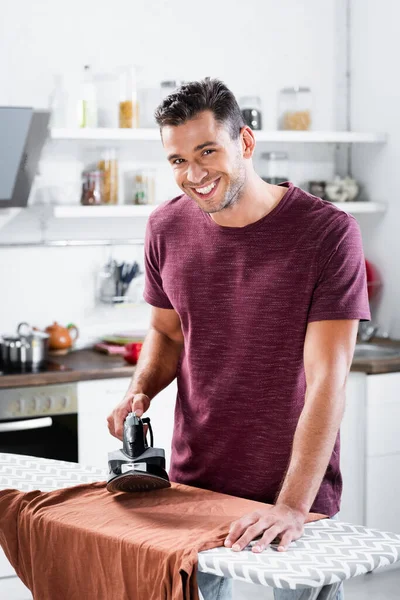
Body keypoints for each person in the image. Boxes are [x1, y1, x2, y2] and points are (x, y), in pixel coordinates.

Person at [107, 78, 370, 600]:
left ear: (245, 143)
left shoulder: (327, 234)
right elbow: (166, 330)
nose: (194, 174)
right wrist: (142, 389)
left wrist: (293, 506)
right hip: (193, 482)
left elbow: (326, 385)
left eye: (208, 151)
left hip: (293, 488)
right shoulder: (165, 227)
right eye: (178, 160)